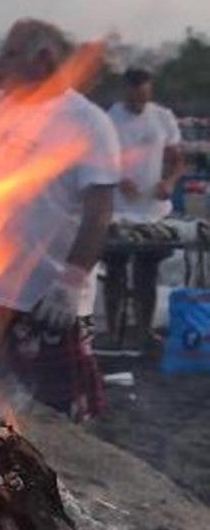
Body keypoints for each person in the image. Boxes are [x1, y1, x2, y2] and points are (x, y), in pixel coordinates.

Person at [0, 19, 121, 420]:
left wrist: (70, 281)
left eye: (9, 54)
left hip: (46, 300)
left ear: (43, 59)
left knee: (55, 414)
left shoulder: (88, 123)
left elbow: (99, 210)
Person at [100, 67, 184, 346]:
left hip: (152, 211)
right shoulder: (110, 119)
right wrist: (117, 178)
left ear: (150, 92)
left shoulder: (162, 117)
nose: (138, 103)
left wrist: (169, 182)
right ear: (125, 91)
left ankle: (144, 332)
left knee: (146, 272)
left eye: (144, 97)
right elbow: (98, 161)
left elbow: (177, 159)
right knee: (115, 271)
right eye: (134, 98)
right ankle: (112, 331)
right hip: (118, 210)